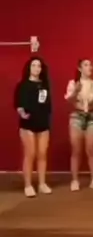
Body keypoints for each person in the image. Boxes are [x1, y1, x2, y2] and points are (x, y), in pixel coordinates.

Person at [14, 57, 52, 197]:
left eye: (39, 66)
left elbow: (47, 104)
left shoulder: (44, 85)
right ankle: (28, 185)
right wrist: (22, 113)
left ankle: (42, 183)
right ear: (29, 68)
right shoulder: (23, 85)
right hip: (27, 124)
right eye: (34, 65)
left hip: (43, 123)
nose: (36, 68)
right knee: (30, 154)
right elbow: (18, 104)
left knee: (42, 153)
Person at [65, 59, 93, 191]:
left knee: (91, 149)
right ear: (80, 68)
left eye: (90, 65)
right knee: (76, 150)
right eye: (86, 65)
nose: (89, 67)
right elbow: (69, 100)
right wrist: (76, 91)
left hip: (91, 117)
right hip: (77, 116)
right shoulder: (73, 83)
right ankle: (75, 180)